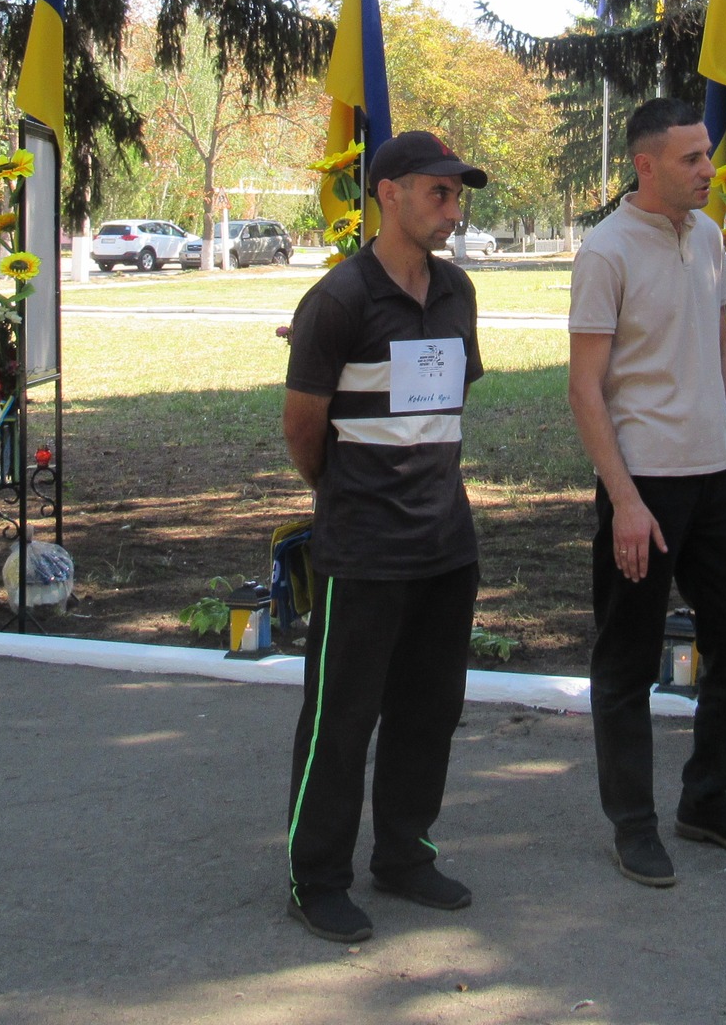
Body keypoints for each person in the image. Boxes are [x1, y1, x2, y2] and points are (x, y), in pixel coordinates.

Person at [281, 130, 489, 944]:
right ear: (389, 193)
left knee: (429, 712)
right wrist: (348, 495)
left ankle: (404, 854)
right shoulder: (339, 299)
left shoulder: (457, 291)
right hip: (364, 546)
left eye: (456, 194)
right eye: (439, 191)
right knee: (340, 721)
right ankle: (316, 878)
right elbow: (305, 430)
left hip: (445, 541)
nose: (453, 207)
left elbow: (448, 405)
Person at [568, 99, 726, 888]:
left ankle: (705, 799)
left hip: (715, 476)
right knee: (627, 660)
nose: (709, 169)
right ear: (645, 165)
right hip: (645, 486)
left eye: (708, 154)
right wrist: (624, 499)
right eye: (692, 158)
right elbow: (585, 389)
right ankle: (633, 825)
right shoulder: (606, 251)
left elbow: (722, 351)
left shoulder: (710, 236)